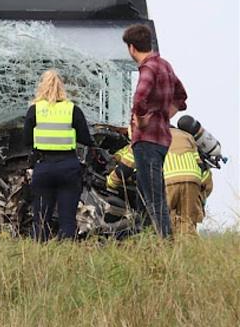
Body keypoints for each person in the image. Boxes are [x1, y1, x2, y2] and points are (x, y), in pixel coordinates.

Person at [122, 24, 187, 238]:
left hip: (147, 140)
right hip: (161, 140)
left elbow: (139, 99)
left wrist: (140, 121)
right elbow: (181, 97)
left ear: (132, 48)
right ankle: (145, 240)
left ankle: (165, 243)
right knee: (144, 195)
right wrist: (165, 114)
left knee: (153, 196)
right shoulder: (165, 65)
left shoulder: (148, 68)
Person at [23, 69, 93, 240]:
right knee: (68, 220)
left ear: (41, 87)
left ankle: (40, 255)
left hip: (44, 167)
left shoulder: (35, 110)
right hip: (68, 167)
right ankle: (67, 256)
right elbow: (86, 139)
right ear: (63, 88)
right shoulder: (72, 110)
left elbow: (26, 141)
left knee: (41, 220)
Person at [108, 128, 213, 236]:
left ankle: (166, 249)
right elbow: (202, 169)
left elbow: (126, 165)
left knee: (164, 224)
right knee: (188, 225)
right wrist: (202, 192)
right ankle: (189, 251)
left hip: (167, 180)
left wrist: (110, 182)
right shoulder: (186, 136)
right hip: (192, 180)